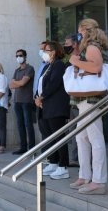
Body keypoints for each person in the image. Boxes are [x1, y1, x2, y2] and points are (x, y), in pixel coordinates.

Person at [68, 18, 108, 195]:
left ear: (85, 30)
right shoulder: (87, 47)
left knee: (95, 138)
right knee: (82, 138)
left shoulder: (92, 47)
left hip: (91, 99)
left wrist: (75, 62)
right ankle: (85, 175)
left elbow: (96, 67)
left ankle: (98, 181)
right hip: (85, 99)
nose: (79, 34)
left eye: (79, 30)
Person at [35, 41, 70, 180]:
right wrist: (37, 98)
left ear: (54, 51)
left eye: (46, 49)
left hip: (56, 106)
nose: (44, 52)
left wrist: (41, 97)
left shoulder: (59, 65)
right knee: (50, 136)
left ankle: (63, 166)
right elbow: (40, 85)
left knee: (59, 136)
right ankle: (53, 162)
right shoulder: (47, 66)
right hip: (45, 106)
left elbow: (54, 83)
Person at [10, 49, 35, 155]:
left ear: (25, 56)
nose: (18, 57)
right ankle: (23, 147)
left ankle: (32, 149)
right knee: (20, 125)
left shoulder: (30, 68)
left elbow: (23, 83)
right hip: (17, 101)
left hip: (27, 101)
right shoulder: (17, 70)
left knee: (28, 124)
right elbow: (11, 85)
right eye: (17, 56)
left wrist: (17, 83)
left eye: (20, 55)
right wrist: (18, 83)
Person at [64, 34, 80, 167]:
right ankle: (75, 158)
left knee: (83, 135)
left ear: (75, 44)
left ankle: (83, 160)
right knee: (74, 133)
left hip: (83, 103)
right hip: (72, 103)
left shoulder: (82, 58)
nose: (65, 46)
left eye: (67, 43)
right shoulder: (69, 61)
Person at [33, 41, 51, 156]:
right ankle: (45, 156)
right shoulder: (42, 65)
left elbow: (51, 86)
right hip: (37, 101)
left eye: (43, 50)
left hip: (45, 102)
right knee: (43, 130)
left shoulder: (52, 66)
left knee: (48, 132)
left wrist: (41, 98)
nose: (41, 52)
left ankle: (50, 158)